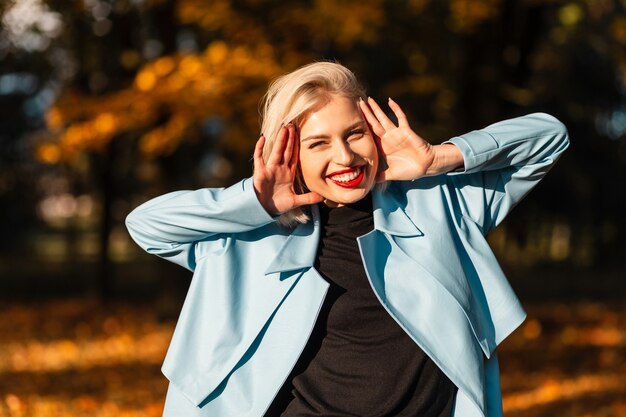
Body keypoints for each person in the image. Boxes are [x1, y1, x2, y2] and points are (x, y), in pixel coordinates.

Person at [126, 61, 569, 417]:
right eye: (318, 143)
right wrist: (254, 203)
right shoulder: (253, 232)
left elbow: (548, 138)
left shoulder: (438, 206)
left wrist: (440, 157)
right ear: (290, 152)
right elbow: (146, 225)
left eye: (354, 133)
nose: (344, 156)